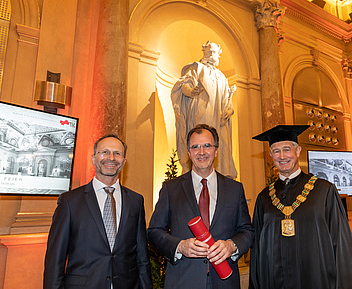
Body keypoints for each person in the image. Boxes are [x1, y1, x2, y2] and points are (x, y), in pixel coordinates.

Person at [250, 125, 352, 289]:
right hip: (274, 281)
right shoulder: (264, 197)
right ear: (270, 155)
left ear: (298, 151)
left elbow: (342, 246)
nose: (282, 156)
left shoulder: (324, 191)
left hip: (316, 279)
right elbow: (258, 251)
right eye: (276, 151)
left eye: (287, 149)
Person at [147, 124, 254, 289]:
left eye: (207, 146)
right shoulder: (171, 188)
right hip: (183, 281)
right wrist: (179, 246)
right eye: (195, 147)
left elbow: (247, 230)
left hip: (225, 282)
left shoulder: (235, 189)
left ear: (216, 151)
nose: (201, 152)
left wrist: (231, 245)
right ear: (189, 153)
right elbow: (154, 232)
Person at [44, 134, 152, 289]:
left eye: (117, 153)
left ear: (124, 162)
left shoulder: (136, 201)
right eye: (105, 152)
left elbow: (142, 256)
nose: (111, 158)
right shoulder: (69, 202)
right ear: (93, 158)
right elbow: (55, 260)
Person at [171, 41, 237, 179]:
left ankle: (221, 177)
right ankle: (196, 176)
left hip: (218, 119)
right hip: (201, 114)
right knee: (200, 142)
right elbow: (184, 84)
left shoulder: (222, 77)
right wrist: (191, 91)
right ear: (205, 53)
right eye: (209, 51)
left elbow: (227, 100)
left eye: (215, 52)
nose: (212, 54)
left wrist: (229, 110)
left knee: (220, 144)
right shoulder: (197, 69)